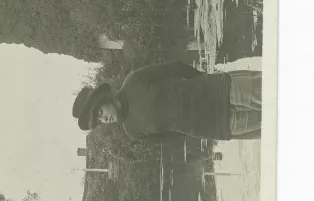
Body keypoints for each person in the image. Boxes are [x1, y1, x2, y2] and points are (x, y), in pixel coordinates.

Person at [72, 61, 261, 142]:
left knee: (269, 94)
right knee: (269, 125)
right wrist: (192, 126)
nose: (104, 119)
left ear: (104, 99)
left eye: (100, 113)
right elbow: (172, 137)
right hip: (216, 125)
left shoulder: (134, 81)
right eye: (99, 121)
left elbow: (175, 67)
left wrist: (204, 81)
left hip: (217, 91)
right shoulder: (133, 131)